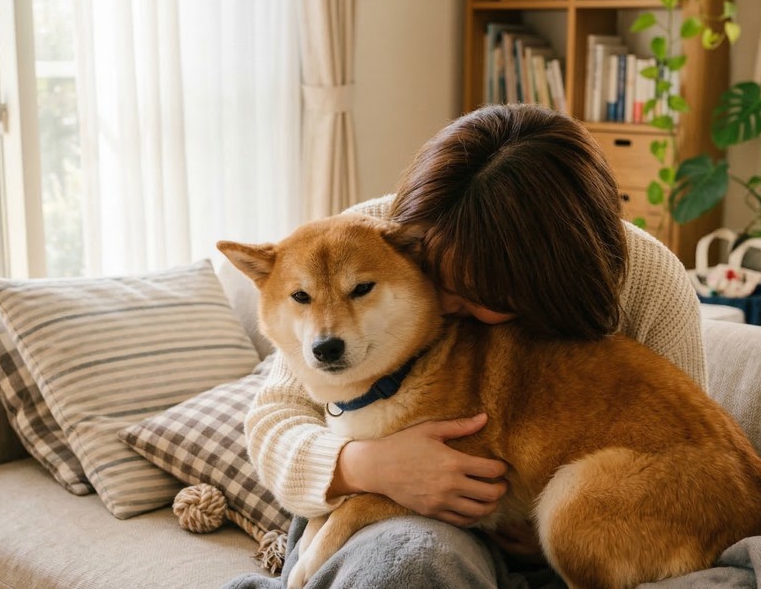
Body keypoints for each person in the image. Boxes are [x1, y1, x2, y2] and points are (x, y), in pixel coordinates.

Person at [226, 104, 706, 588]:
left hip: (563, 520)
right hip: (398, 508)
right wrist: (363, 467)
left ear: (541, 280)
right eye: (438, 277)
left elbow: (685, 444)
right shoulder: (361, 239)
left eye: (476, 293)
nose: (445, 304)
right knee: (410, 559)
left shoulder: (651, 280)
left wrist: (556, 524)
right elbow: (275, 419)